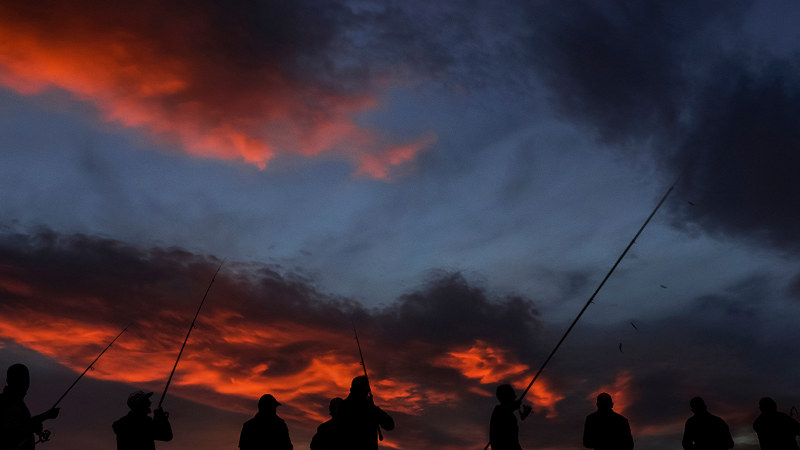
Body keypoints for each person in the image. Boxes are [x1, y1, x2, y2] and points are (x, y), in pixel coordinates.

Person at [0, 364, 59, 450]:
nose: (26, 383)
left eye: (26, 379)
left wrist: (47, 415)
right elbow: (11, 435)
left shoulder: (7, 400)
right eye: (21, 379)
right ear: (9, 381)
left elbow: (24, 423)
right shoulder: (13, 404)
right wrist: (33, 427)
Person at [337, 376, 394, 450]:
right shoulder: (368, 407)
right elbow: (389, 425)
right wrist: (373, 407)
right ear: (365, 390)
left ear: (351, 389)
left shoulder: (342, 405)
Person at [490, 384, 532, 450]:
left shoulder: (507, 413)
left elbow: (514, 442)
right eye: (512, 394)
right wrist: (512, 408)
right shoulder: (498, 412)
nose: (515, 397)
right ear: (505, 396)